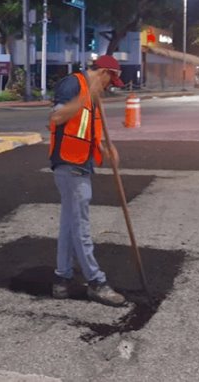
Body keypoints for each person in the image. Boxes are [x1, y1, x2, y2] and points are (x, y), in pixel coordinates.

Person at [48, 55, 127, 307]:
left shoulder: (93, 93)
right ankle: (96, 282)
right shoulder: (73, 85)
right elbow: (57, 118)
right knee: (80, 225)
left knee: (69, 223)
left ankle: (61, 278)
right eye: (110, 80)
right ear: (103, 72)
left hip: (80, 161)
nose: (109, 85)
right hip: (69, 163)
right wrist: (86, 97)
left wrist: (106, 146)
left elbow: (90, 126)